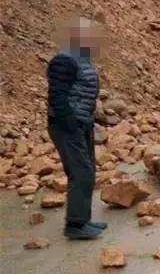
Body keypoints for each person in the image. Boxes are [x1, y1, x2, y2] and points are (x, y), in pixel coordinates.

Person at [47, 17, 105, 240]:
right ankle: (75, 225)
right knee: (80, 172)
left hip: (82, 124)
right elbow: (57, 97)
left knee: (87, 171)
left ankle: (84, 220)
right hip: (67, 126)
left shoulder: (82, 59)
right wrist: (70, 124)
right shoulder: (64, 60)